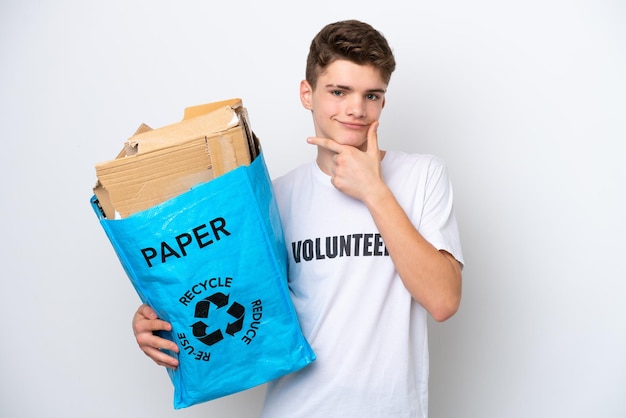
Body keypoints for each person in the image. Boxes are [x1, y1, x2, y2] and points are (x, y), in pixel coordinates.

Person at [132, 19, 464, 417]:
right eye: (338, 92)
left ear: (383, 101)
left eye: (371, 95)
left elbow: (443, 301)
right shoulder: (275, 197)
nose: (356, 109)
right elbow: (233, 300)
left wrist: (374, 190)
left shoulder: (422, 176)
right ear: (307, 94)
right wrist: (161, 323)